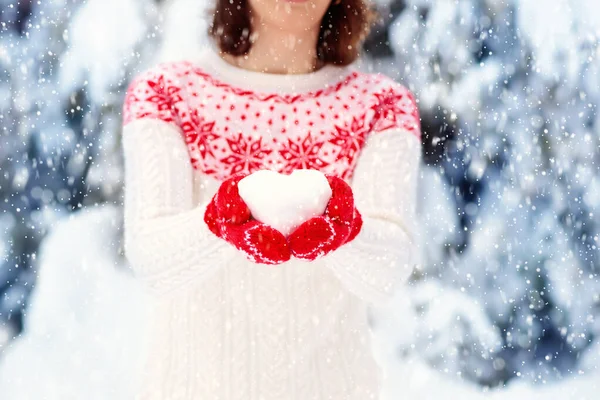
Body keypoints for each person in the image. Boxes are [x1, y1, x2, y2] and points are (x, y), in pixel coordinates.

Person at [121, 0, 423, 398]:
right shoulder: (167, 95)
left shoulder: (381, 107)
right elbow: (153, 262)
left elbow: (386, 275)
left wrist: (344, 231)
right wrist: (218, 223)